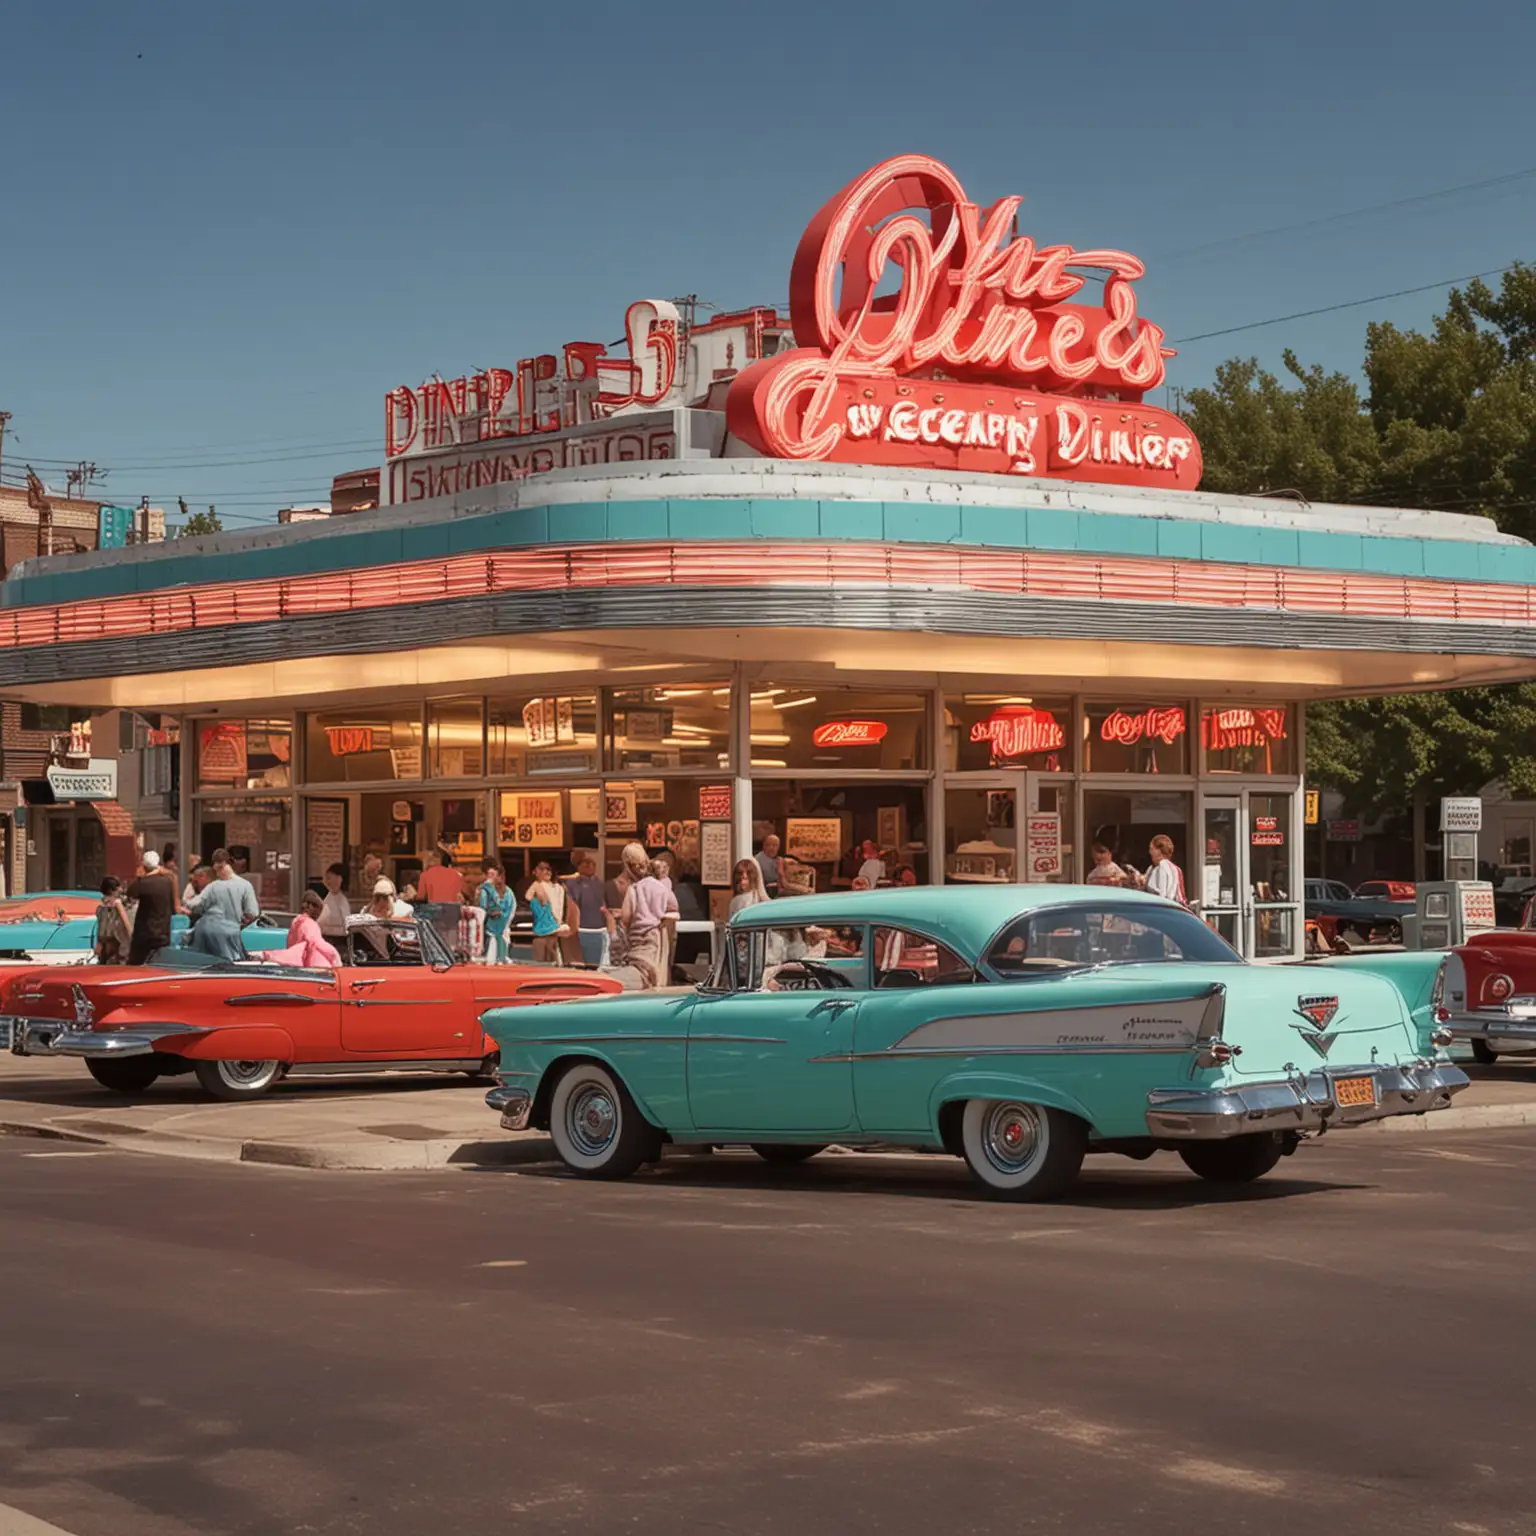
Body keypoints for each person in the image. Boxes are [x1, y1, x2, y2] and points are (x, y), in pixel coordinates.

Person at [618, 843, 678, 990]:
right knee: (657, 975)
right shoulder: (662, 887)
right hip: (656, 936)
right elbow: (674, 906)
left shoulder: (634, 889)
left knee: (642, 975)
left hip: (638, 939)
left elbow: (625, 918)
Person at [184, 847, 259, 961]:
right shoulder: (245, 885)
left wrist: (183, 903)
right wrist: (239, 924)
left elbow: (194, 905)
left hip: (204, 930)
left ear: (218, 867)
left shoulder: (212, 886)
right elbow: (253, 913)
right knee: (228, 967)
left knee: (202, 966)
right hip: (229, 933)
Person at [267, 890, 341, 969]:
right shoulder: (310, 924)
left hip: (298, 968)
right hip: (312, 968)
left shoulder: (297, 923)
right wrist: (335, 957)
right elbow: (315, 942)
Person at [127, 850, 177, 965]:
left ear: (144, 866)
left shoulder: (142, 883)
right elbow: (173, 907)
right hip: (163, 934)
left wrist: (140, 876)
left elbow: (130, 892)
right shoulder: (167, 882)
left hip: (144, 934)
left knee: (136, 966)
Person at [527, 862, 568, 964]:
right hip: (541, 931)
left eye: (548, 869)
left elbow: (561, 906)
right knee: (540, 962)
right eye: (542, 869)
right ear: (536, 871)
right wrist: (536, 883)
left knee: (554, 960)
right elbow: (528, 896)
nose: (546, 872)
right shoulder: (537, 885)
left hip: (555, 929)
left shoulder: (559, 888)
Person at [479, 864, 515, 964]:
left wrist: (503, 920)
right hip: (489, 927)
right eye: (489, 874)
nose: (491, 877)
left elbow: (511, 909)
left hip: (502, 928)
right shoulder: (484, 890)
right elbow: (482, 907)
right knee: (490, 953)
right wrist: (489, 913)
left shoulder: (508, 892)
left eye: (493, 874)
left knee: (501, 955)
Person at [563, 851, 605, 932]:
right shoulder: (571, 884)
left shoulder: (600, 884)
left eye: (591, 863)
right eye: (585, 863)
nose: (588, 865)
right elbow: (570, 907)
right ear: (578, 867)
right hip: (580, 928)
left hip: (600, 928)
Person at [94, 876, 131, 964]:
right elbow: (126, 923)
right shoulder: (117, 903)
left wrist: (99, 943)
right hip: (117, 943)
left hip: (104, 944)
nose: (121, 889)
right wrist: (132, 938)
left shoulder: (101, 906)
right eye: (118, 887)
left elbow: (101, 926)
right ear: (112, 890)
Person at [1145, 834, 1189, 906]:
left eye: (1152, 849)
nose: (1150, 852)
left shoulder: (1164, 866)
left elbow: (1164, 895)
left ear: (1159, 851)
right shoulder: (1152, 869)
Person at [319, 862, 351, 938]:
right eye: (326, 878)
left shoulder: (342, 901)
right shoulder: (327, 897)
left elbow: (346, 927)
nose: (327, 882)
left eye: (329, 878)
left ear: (339, 879)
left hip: (336, 941)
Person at [755, 834, 782, 898]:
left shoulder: (777, 859)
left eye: (775, 845)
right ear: (763, 846)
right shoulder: (758, 860)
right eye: (768, 845)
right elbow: (770, 878)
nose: (771, 848)